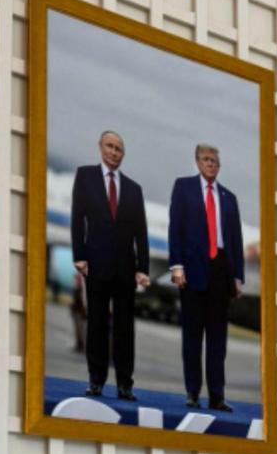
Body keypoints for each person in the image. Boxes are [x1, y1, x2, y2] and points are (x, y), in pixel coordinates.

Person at [71, 131, 151, 401]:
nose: (114, 152)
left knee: (125, 329)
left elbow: (141, 232)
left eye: (118, 149)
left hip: (125, 270)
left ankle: (125, 384)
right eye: (110, 146)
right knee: (96, 326)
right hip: (95, 265)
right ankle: (96, 381)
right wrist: (79, 255)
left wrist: (143, 268)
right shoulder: (85, 176)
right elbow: (77, 218)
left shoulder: (133, 189)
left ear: (122, 154)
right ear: (100, 147)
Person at [168, 143, 244, 412]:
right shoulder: (184, 188)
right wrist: (176, 267)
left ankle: (217, 396)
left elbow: (235, 240)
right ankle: (192, 392)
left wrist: (238, 276)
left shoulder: (229, 198)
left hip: (221, 272)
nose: (210, 164)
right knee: (192, 336)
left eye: (214, 160)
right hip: (192, 270)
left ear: (218, 166)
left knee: (217, 339)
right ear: (197, 162)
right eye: (205, 159)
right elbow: (175, 229)